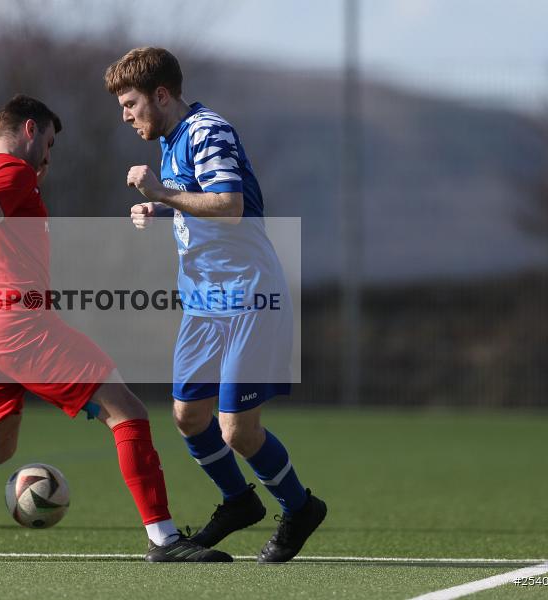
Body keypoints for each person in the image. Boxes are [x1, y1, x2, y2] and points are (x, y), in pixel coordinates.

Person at [0, 94, 232, 563]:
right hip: (19, 323)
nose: (48, 156)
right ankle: (165, 540)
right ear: (29, 130)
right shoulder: (12, 171)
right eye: (48, 143)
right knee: (128, 412)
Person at [104, 47, 327, 563]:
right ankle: (238, 503)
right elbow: (198, 204)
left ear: (161, 95)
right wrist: (159, 208)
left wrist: (160, 192)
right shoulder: (172, 141)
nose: (126, 115)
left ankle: (300, 508)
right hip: (204, 302)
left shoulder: (207, 131)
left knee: (236, 430)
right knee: (187, 415)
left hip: (247, 295)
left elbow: (229, 206)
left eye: (131, 102)